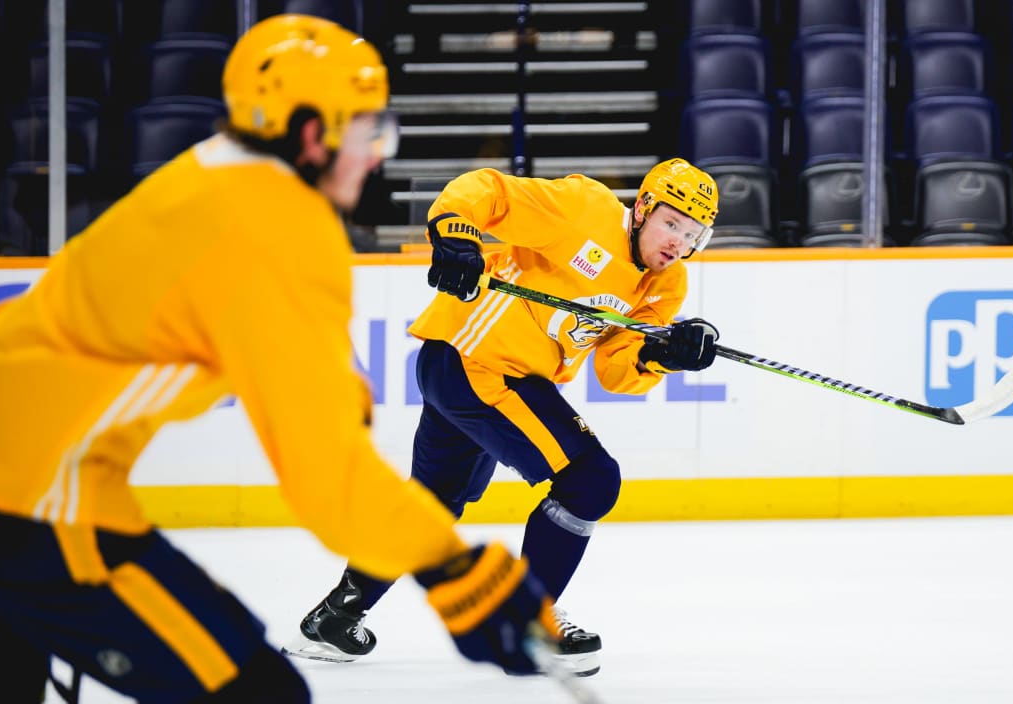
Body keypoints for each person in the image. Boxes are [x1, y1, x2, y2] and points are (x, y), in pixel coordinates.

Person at [0, 15, 560, 704]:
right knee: (252, 700)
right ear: (310, 133)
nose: (376, 156)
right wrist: (460, 573)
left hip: (26, 471)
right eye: (366, 133)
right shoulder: (278, 226)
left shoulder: (216, 171)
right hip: (28, 493)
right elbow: (326, 475)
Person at [283, 158, 721, 676]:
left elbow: (617, 369)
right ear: (644, 207)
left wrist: (663, 355)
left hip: (473, 371)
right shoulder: (584, 209)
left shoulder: (663, 286)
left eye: (694, 235)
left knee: (433, 504)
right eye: (671, 223)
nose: (678, 242)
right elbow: (488, 190)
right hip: (475, 363)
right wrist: (455, 234)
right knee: (591, 479)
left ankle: (334, 619)